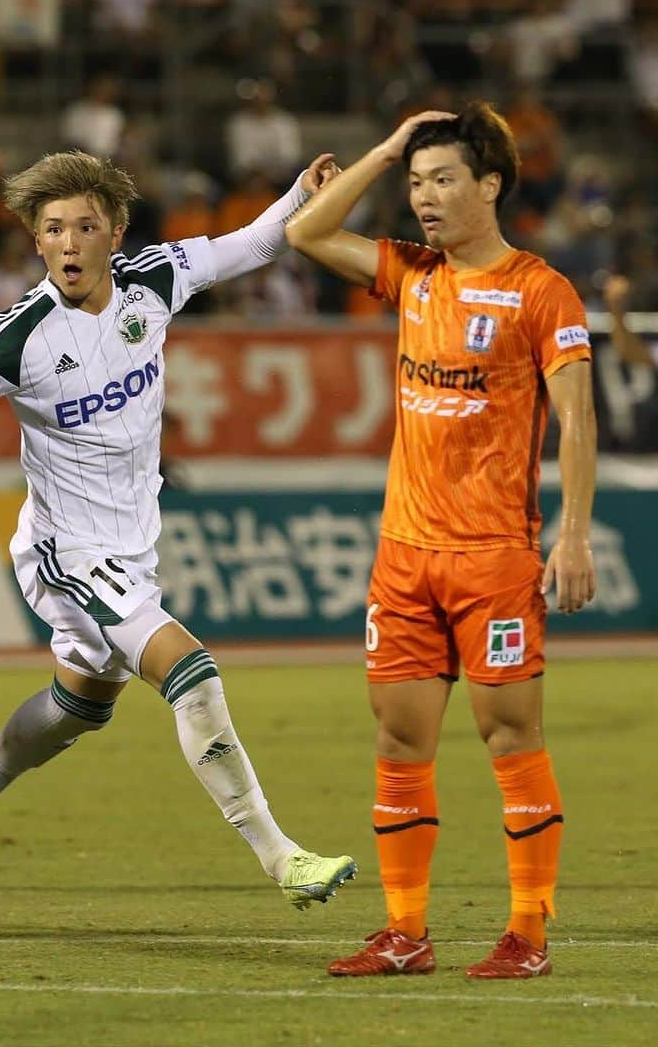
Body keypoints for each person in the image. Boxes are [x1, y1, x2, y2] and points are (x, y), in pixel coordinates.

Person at [0, 149, 357, 912]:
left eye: (85, 227)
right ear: (36, 242)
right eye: (53, 229)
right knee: (190, 674)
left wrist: (300, 190)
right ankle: (281, 857)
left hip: (131, 542)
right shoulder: (17, 335)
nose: (69, 243)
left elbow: (261, 243)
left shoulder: (154, 281)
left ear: (115, 232)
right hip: (65, 550)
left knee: (82, 705)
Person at [285, 103, 597, 978]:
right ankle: (405, 933)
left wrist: (572, 536)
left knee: (510, 740)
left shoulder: (541, 292)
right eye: (415, 182)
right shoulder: (413, 274)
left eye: (441, 178)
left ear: (489, 184)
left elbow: (577, 419)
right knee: (398, 743)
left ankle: (528, 934)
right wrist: (384, 149)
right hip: (405, 555)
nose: (423, 197)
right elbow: (308, 232)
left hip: (494, 557)